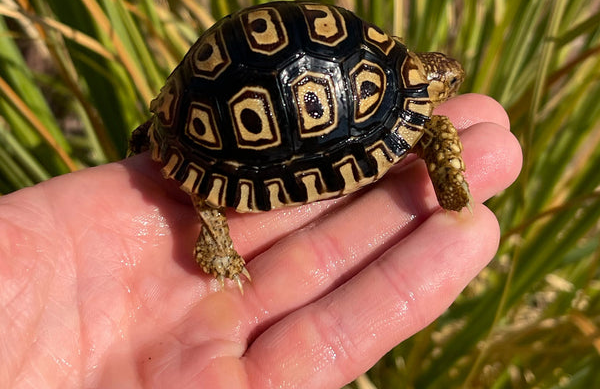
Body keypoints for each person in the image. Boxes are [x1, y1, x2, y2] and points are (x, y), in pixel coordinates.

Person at [0, 94, 521, 388]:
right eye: (445, 81)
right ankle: (209, 218)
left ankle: (179, 156)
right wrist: (452, 183)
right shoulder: (412, 112)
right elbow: (435, 132)